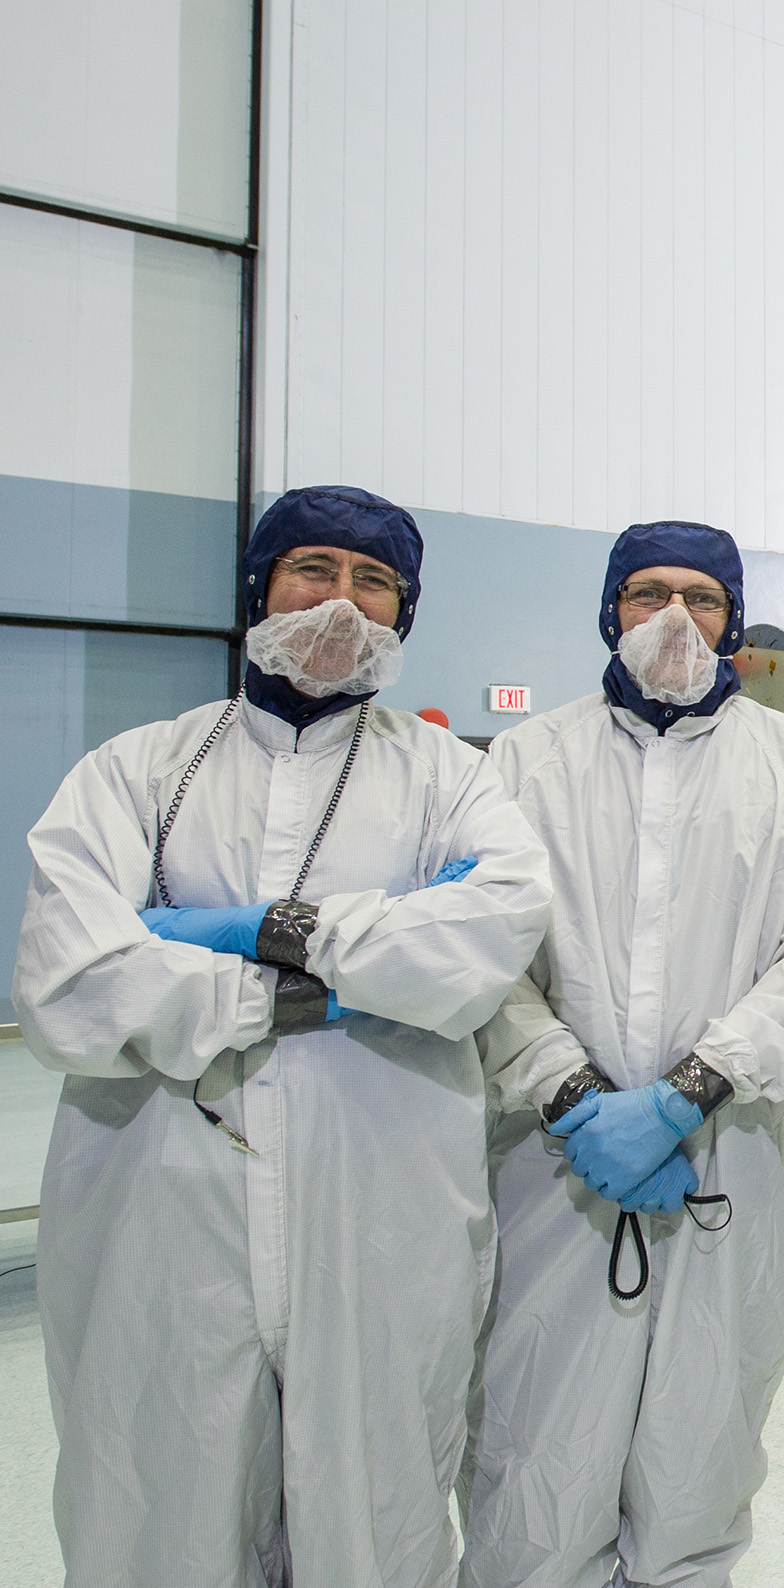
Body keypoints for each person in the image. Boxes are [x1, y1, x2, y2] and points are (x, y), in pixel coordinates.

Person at [12, 485, 553, 1586]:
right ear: (260, 585)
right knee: (153, 1512)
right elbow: (71, 986)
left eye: (374, 581)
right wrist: (357, 968)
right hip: (156, 1209)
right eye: (314, 568)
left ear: (405, 612)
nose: (341, 601)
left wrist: (247, 936)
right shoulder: (134, 770)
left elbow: (485, 942)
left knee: (377, 1520)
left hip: (382, 1208)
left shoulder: (453, 779)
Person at [460, 522, 784, 1587]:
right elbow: (489, 952)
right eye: (648, 594)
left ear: (734, 624)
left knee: (704, 1440)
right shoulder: (528, 758)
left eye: (702, 598)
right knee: (534, 1441)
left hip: (723, 1149)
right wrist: (574, 1094)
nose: (675, 616)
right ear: (610, 611)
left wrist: (684, 1096)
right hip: (554, 1156)